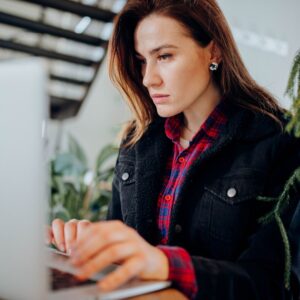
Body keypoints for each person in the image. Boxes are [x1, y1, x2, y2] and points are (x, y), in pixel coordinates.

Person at [47, 0, 300, 299]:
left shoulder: (279, 141)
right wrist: (92, 244)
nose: (147, 78)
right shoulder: (136, 141)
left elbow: (277, 285)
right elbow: (123, 253)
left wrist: (167, 264)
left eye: (164, 56)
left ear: (214, 51)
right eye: (142, 60)